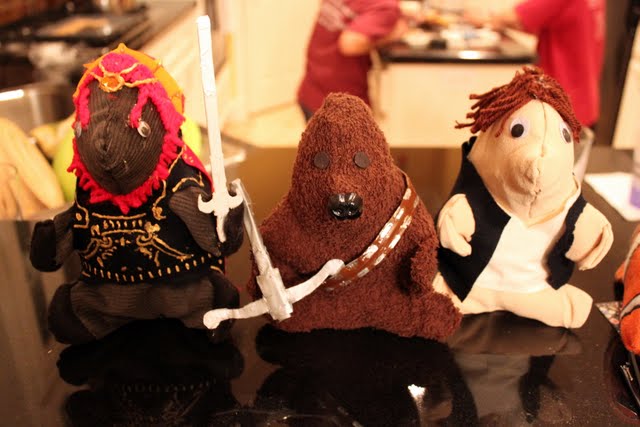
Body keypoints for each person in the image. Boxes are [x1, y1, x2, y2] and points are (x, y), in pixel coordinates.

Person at [465, 0, 605, 128]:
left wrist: (485, 19)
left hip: (561, 106)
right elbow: (540, 21)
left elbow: (515, 16)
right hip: (584, 103)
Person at [297, 0, 408, 121]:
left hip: (312, 87)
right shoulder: (385, 6)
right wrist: (393, 34)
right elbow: (350, 44)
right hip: (343, 103)